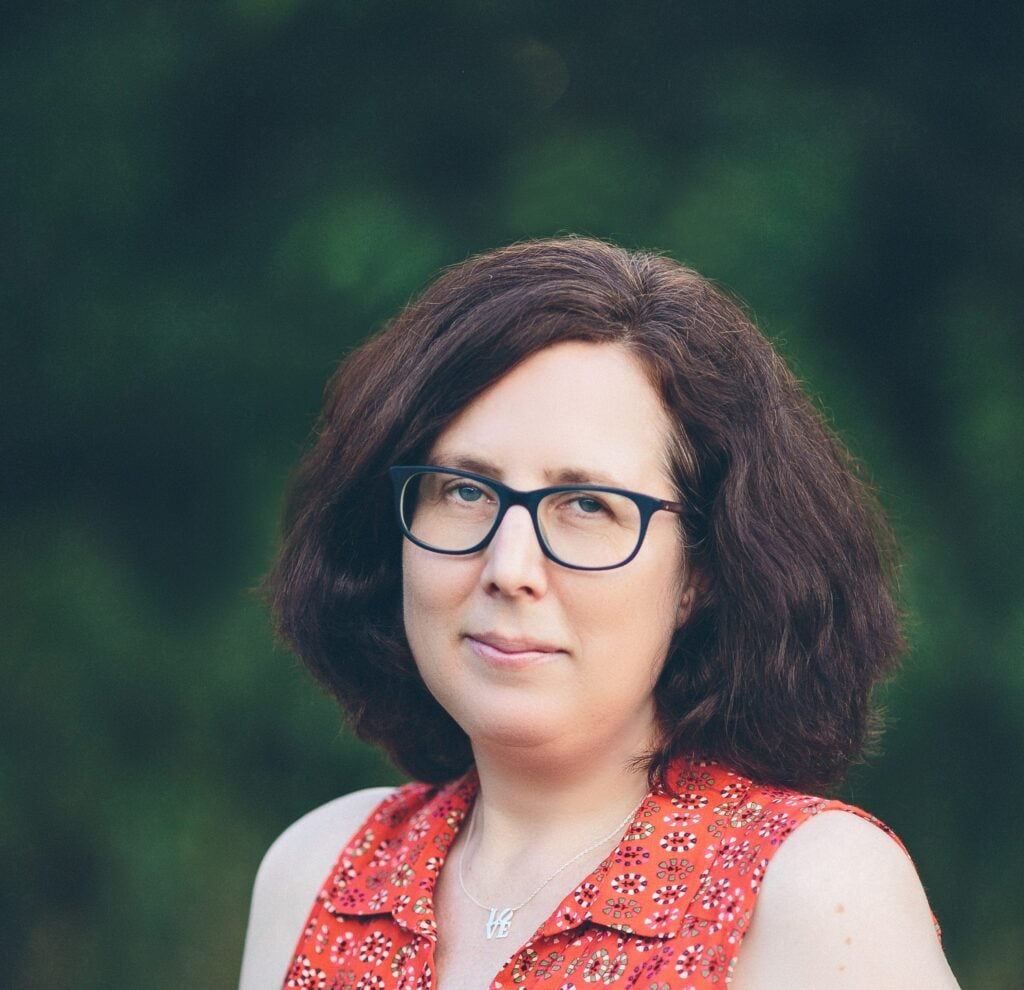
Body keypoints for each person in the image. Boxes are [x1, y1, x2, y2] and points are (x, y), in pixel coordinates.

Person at [239, 238, 960, 989]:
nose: (509, 568)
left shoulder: (813, 892)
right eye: (465, 490)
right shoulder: (322, 872)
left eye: (587, 505)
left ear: (702, 572)